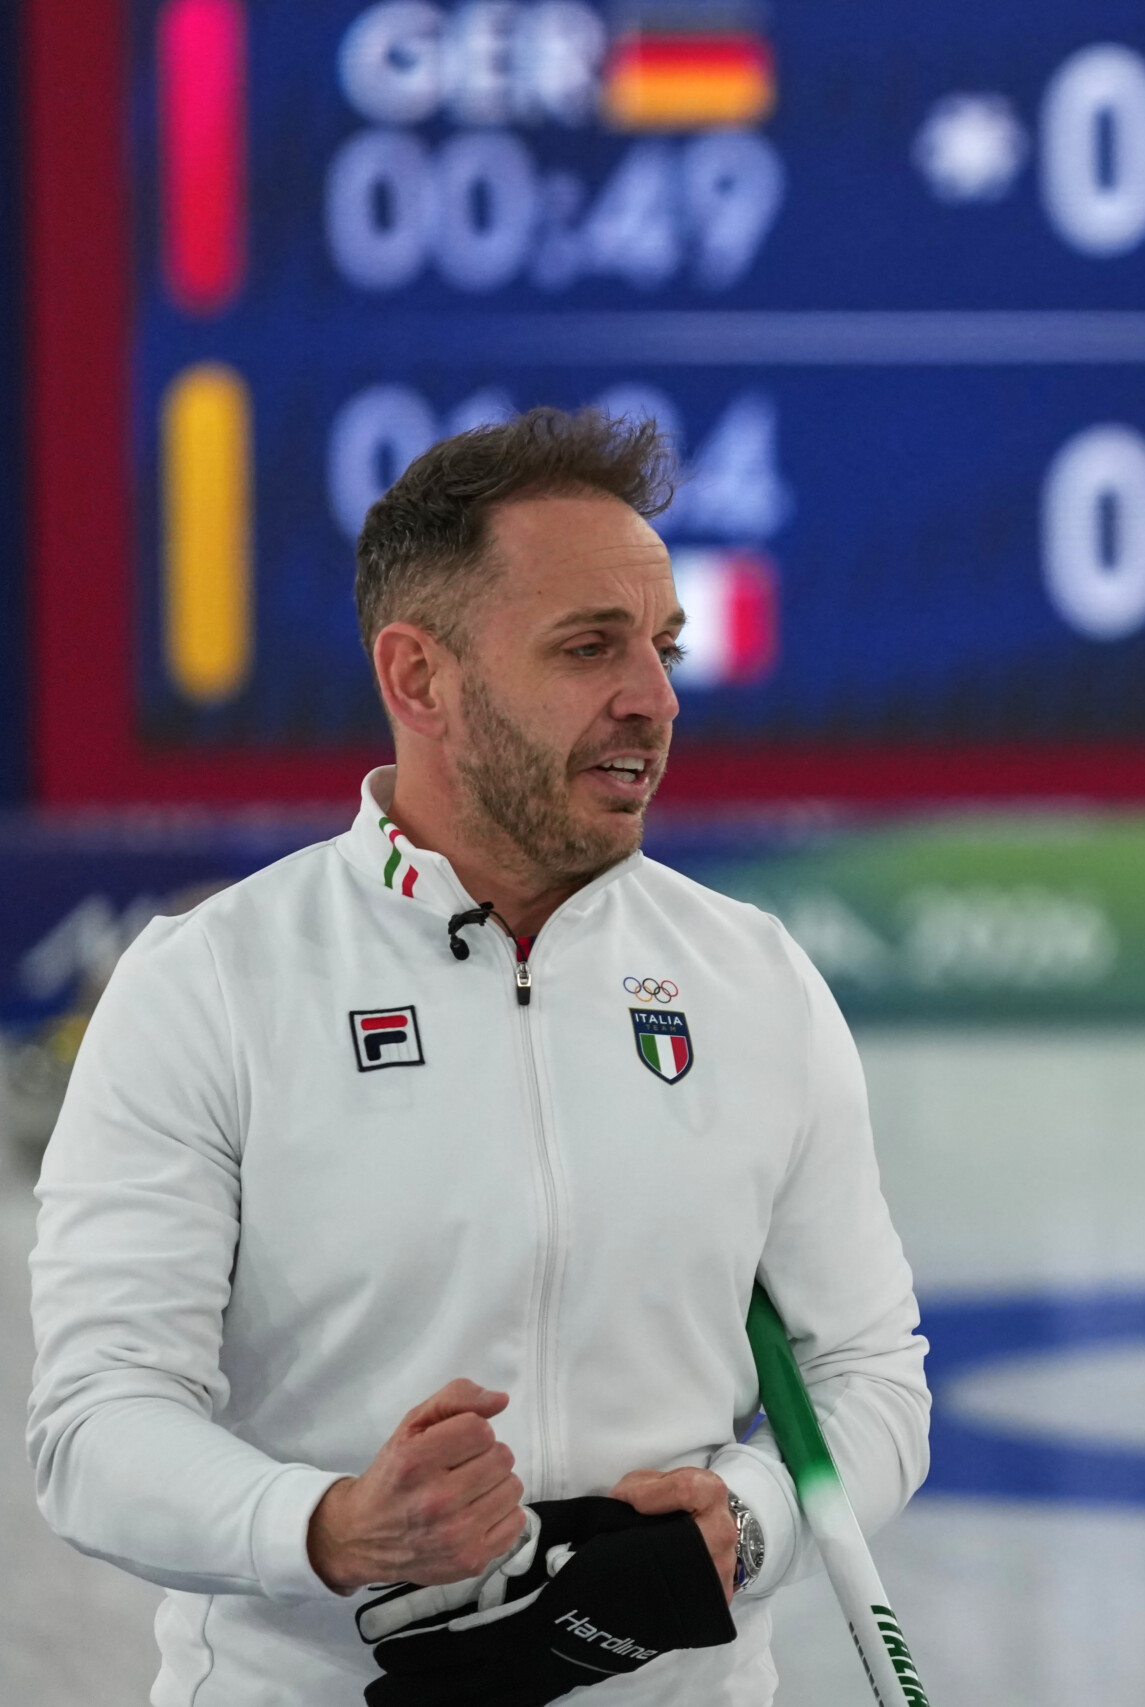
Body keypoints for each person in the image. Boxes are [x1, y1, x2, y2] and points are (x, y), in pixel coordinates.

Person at [26, 409, 929, 1704]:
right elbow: (92, 1432)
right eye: (588, 648)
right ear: (420, 678)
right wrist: (331, 1527)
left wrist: (750, 1521)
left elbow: (869, 1378)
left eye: (664, 651)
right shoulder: (211, 986)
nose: (653, 700)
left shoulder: (752, 982)